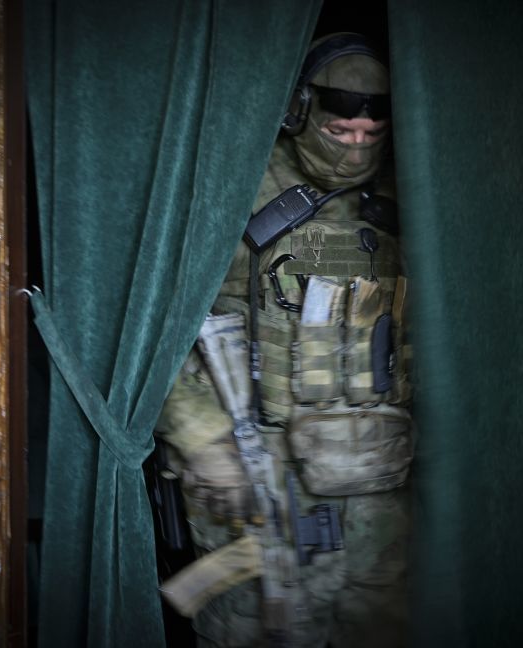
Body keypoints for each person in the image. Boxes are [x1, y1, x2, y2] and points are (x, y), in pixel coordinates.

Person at [155, 33, 413, 648]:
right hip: (256, 472)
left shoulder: (414, 193)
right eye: (339, 129)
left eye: (371, 133)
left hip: (380, 489)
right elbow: (154, 330)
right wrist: (200, 437)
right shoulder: (233, 185)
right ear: (299, 110)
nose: (355, 146)